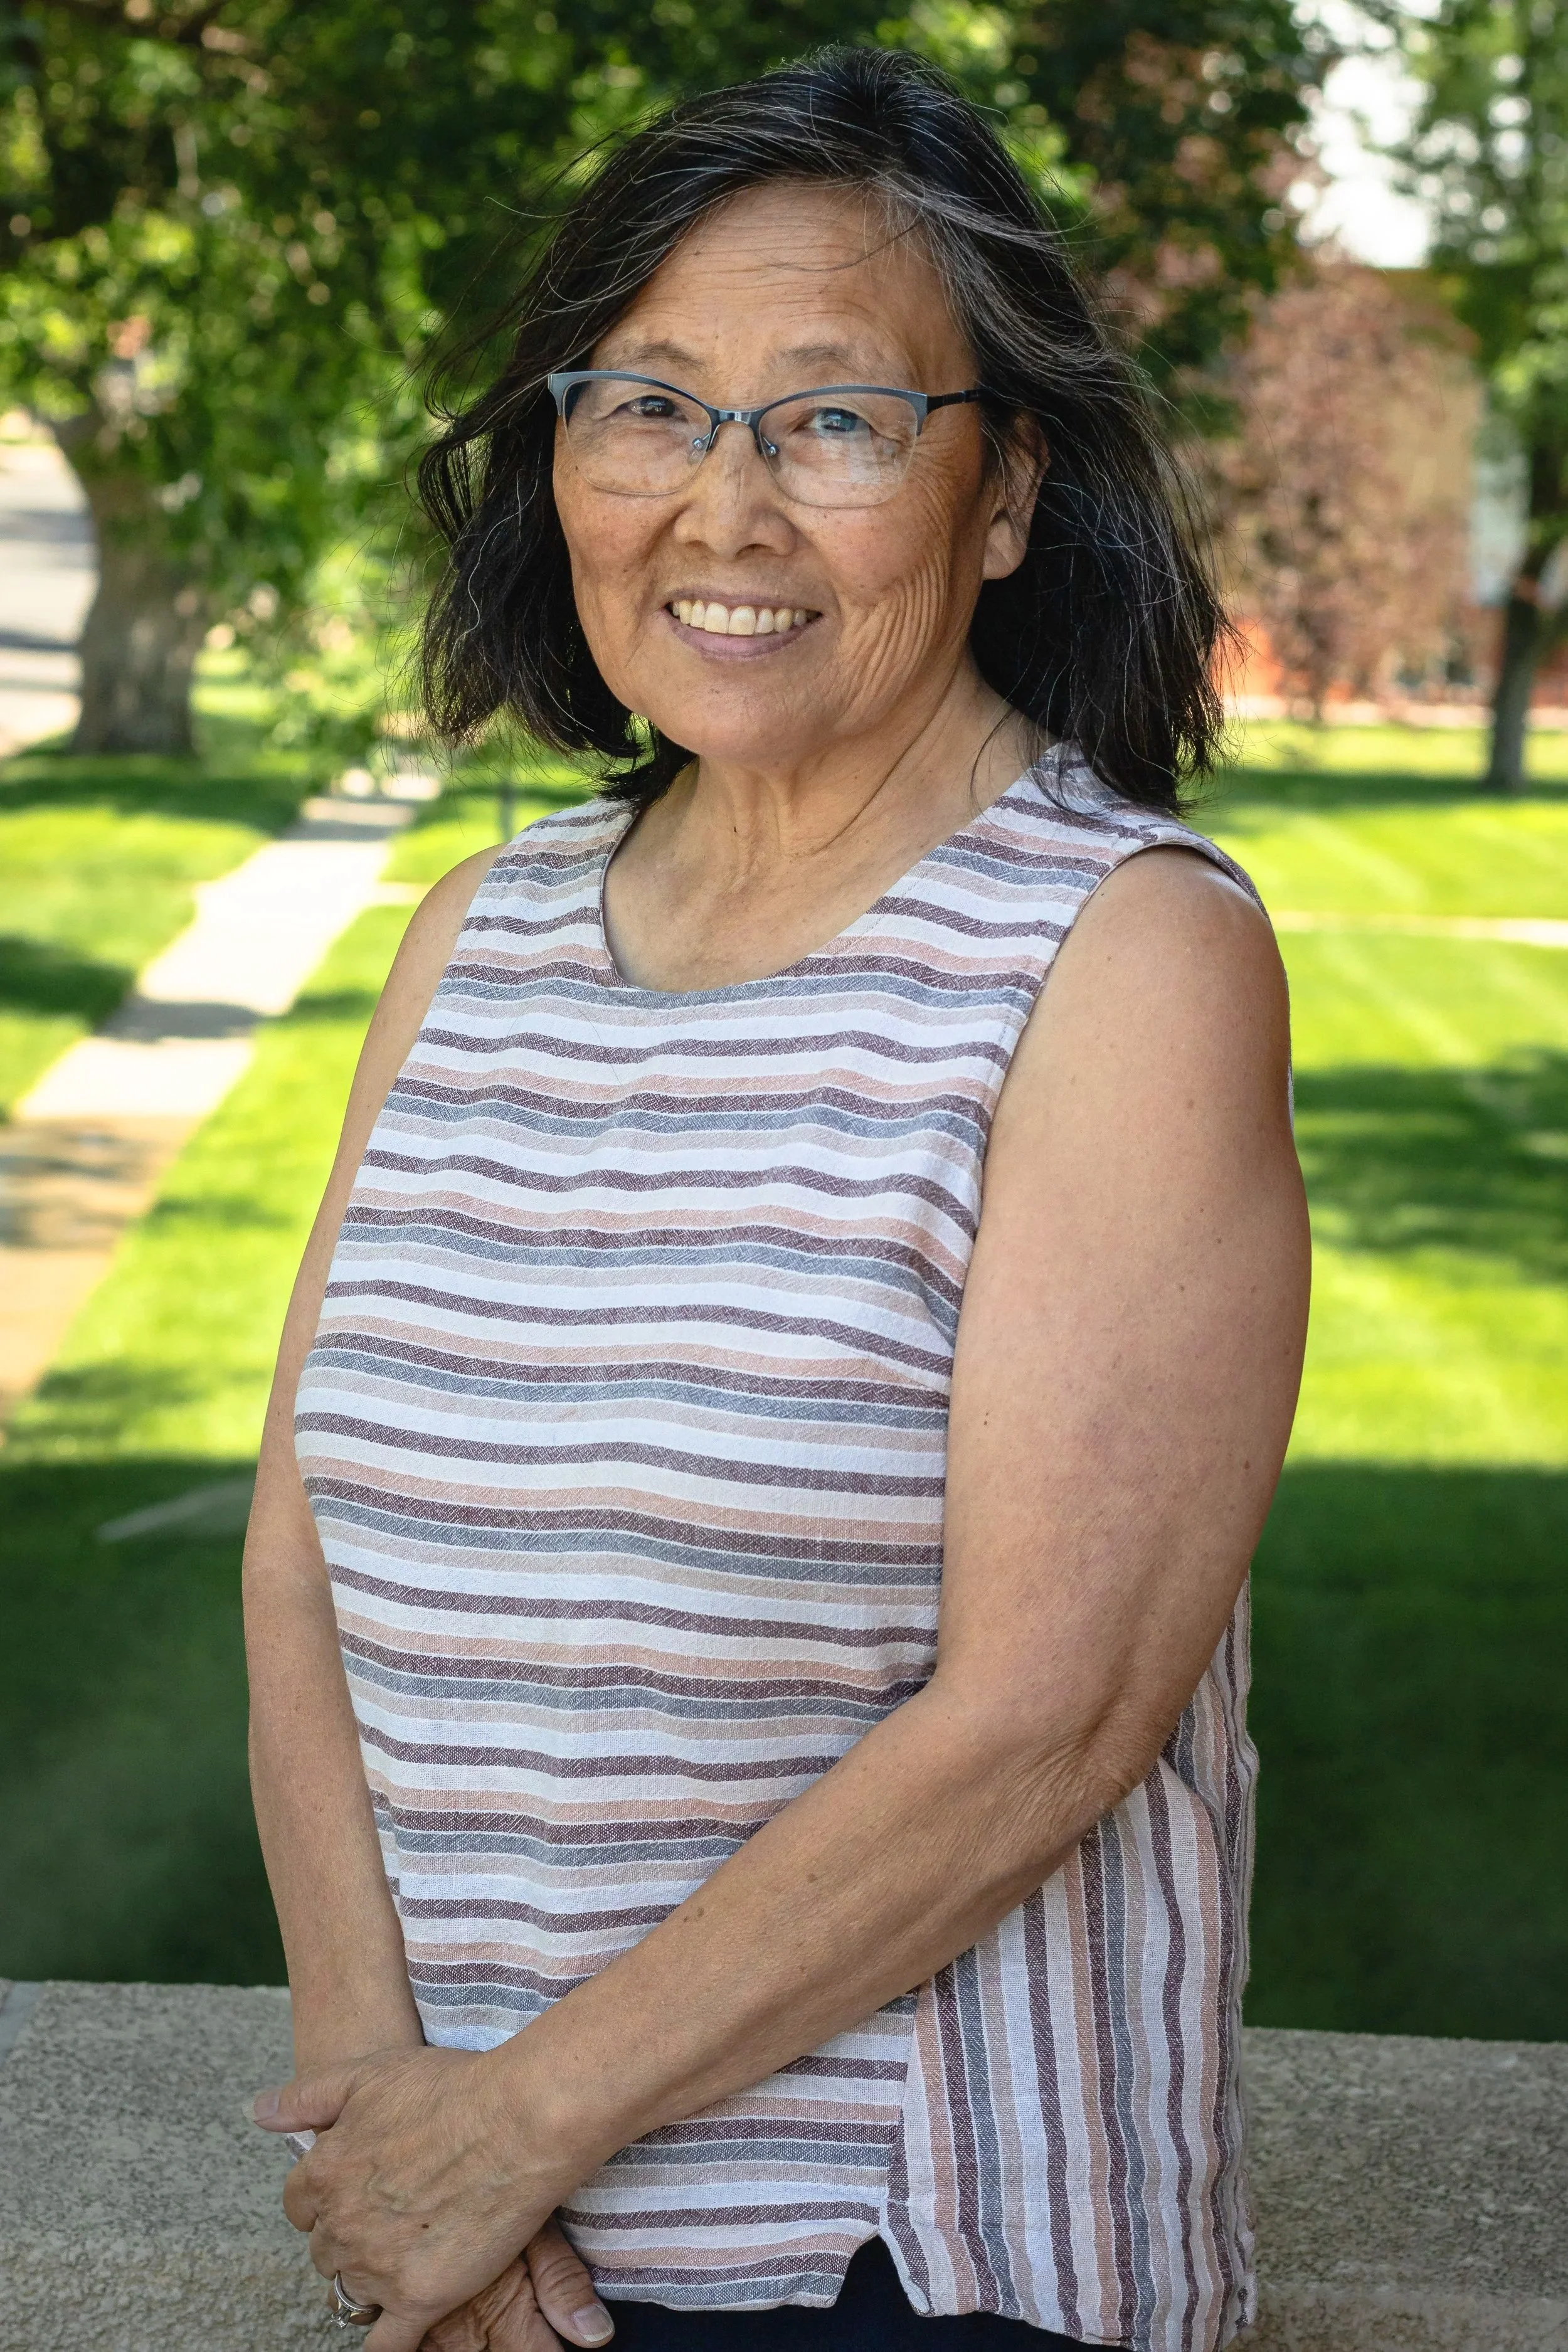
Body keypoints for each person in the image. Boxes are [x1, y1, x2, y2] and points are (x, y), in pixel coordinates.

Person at [243, 45, 1308, 2352]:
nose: (721, 507)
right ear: (557, 453)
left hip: (909, 2266)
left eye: (830, 421)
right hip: (479, 2247)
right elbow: (299, 1551)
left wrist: (516, 2126)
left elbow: (1050, 1707)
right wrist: (392, 2124)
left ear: (1004, 491)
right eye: (648, 403)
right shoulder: (475, 936)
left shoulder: (1121, 958)